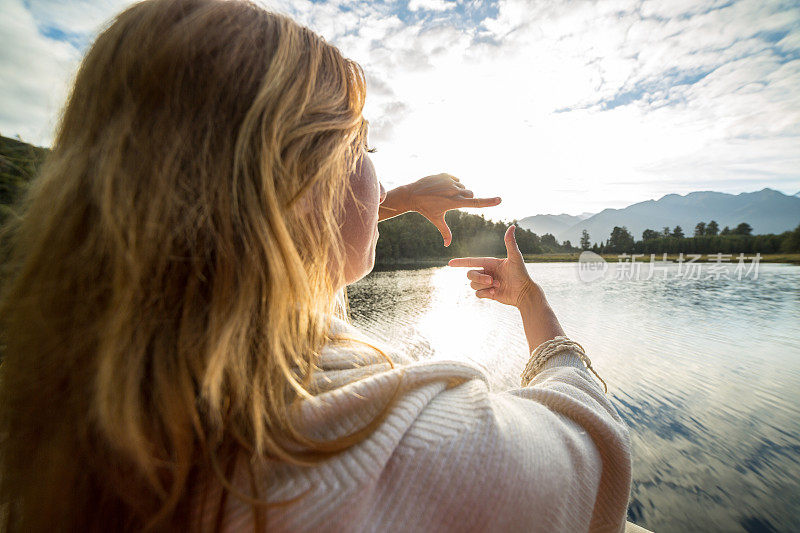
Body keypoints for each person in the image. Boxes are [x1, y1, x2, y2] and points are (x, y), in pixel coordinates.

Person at [0, 0, 632, 531]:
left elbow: (265, 228)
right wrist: (533, 306)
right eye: (364, 146)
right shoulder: (387, 441)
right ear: (300, 185)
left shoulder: (98, 389)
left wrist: (401, 199)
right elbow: (593, 450)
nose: (378, 178)